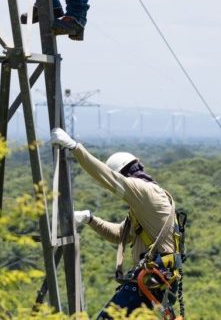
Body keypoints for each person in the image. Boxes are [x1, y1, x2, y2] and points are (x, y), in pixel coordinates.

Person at [50, 127, 180, 319]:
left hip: (153, 280)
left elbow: (108, 178)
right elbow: (121, 235)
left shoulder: (145, 192)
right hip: (153, 281)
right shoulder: (144, 205)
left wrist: (75, 148)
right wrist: (90, 219)